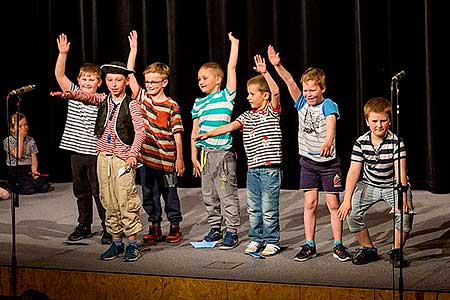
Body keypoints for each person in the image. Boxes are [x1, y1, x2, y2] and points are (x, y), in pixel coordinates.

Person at [51, 61, 146, 262]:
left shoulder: (133, 105)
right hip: (103, 157)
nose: (113, 84)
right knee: (108, 200)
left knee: (125, 200)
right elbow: (87, 96)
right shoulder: (103, 100)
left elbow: (140, 132)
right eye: (110, 80)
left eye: (118, 80)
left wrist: (132, 154)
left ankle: (132, 245)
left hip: (122, 159)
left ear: (126, 82)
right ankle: (116, 242)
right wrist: (69, 94)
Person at [267, 46, 352, 262]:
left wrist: (328, 140)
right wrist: (277, 65)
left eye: (312, 90)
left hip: (329, 164)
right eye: (306, 91)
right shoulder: (302, 103)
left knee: (333, 204)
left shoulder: (329, 104)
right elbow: (289, 83)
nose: (308, 95)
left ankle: (338, 244)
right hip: (308, 162)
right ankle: (309, 244)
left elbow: (331, 122)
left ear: (322, 88)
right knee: (310, 203)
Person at [197, 54, 282, 256]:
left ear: (265, 96)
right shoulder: (246, 116)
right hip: (253, 170)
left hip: (270, 170)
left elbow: (276, 91)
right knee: (253, 208)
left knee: (269, 209)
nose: (248, 97)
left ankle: (272, 240)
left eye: (252, 94)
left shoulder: (271, 112)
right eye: (248, 94)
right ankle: (256, 239)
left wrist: (265, 72)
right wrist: (209, 133)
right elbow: (229, 126)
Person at [337, 97, 414, 267]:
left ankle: (396, 250)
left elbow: (400, 171)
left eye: (383, 121)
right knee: (351, 213)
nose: (379, 125)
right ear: (367, 121)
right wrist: (347, 199)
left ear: (389, 121)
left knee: (405, 213)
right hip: (369, 184)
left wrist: (402, 198)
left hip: (392, 184)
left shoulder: (396, 142)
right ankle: (368, 248)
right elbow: (354, 171)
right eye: (375, 121)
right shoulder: (361, 142)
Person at [127, 30, 184, 244]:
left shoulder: (172, 105)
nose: (149, 85)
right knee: (149, 195)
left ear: (164, 83)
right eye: (147, 82)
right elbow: (129, 75)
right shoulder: (142, 98)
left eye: (154, 82)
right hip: (145, 159)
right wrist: (133, 51)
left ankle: (175, 226)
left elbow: (177, 133)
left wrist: (179, 158)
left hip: (167, 159)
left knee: (169, 193)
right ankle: (154, 225)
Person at [54, 33, 111, 245]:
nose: (87, 82)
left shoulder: (102, 99)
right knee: (81, 190)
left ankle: (109, 227)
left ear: (99, 82)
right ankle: (84, 225)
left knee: (99, 191)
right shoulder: (73, 93)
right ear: (78, 80)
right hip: (77, 152)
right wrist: (63, 54)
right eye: (83, 78)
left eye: (91, 79)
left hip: (96, 152)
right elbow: (60, 76)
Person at [191, 32, 241, 249]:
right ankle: (215, 228)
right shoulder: (198, 103)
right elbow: (194, 132)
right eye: (199, 79)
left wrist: (235, 44)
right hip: (205, 155)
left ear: (218, 79)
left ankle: (232, 231)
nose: (201, 81)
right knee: (208, 195)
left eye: (205, 78)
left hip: (222, 155)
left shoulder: (226, 96)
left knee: (226, 193)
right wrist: (193, 156)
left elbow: (231, 68)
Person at [3, 113, 50, 195]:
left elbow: (34, 157)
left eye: (25, 125)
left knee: (44, 186)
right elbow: (18, 155)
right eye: (20, 126)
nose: (24, 128)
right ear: (12, 129)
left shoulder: (30, 140)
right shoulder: (8, 141)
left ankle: (31, 182)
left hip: (28, 170)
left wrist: (34, 170)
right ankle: (14, 185)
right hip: (16, 170)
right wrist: (20, 138)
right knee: (28, 189)